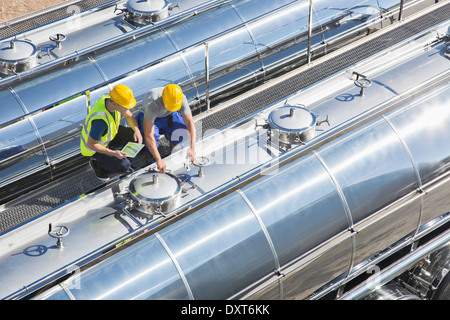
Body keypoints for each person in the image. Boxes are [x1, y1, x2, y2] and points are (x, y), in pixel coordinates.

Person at [80, 84, 143, 181]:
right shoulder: (100, 121)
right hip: (93, 149)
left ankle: (115, 158)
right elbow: (91, 144)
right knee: (124, 165)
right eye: (125, 106)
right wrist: (114, 153)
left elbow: (128, 116)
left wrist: (136, 130)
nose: (126, 109)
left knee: (133, 135)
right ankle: (98, 165)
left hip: (107, 138)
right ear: (115, 104)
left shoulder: (110, 99)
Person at [136, 84, 196, 173]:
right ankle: (151, 155)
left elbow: (190, 123)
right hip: (150, 118)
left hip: (169, 115)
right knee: (151, 139)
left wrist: (192, 148)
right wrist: (158, 160)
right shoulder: (152, 102)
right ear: (163, 99)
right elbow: (149, 135)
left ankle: (174, 143)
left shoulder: (180, 98)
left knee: (182, 133)